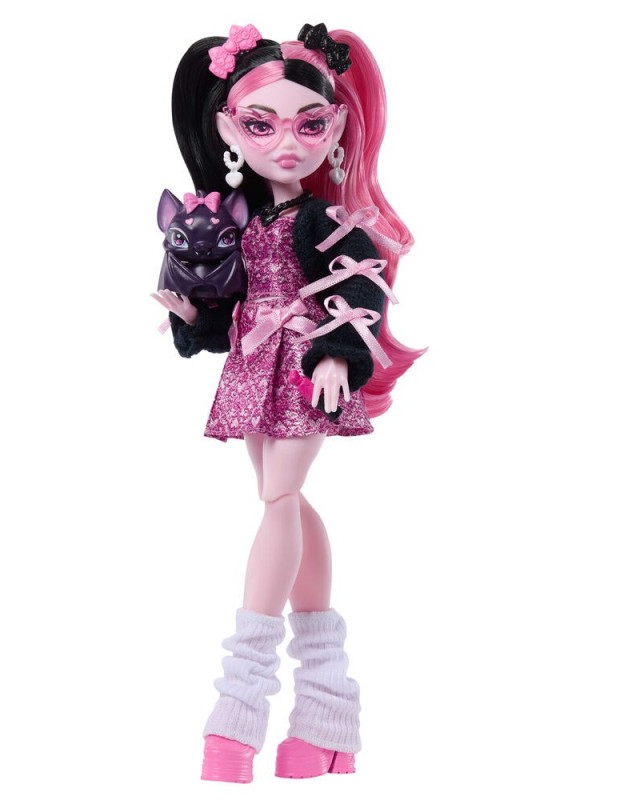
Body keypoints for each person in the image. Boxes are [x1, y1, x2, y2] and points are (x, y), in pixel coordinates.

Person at [152, 22, 425, 782]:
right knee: (287, 503)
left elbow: (361, 284)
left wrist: (338, 352)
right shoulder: (239, 217)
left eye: (308, 124)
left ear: (333, 129)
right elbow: (226, 299)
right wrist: (193, 316)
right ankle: (328, 719)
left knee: (279, 499)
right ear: (227, 130)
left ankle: (238, 706)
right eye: (260, 124)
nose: (285, 142)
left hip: (305, 366)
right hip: (251, 364)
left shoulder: (322, 220)